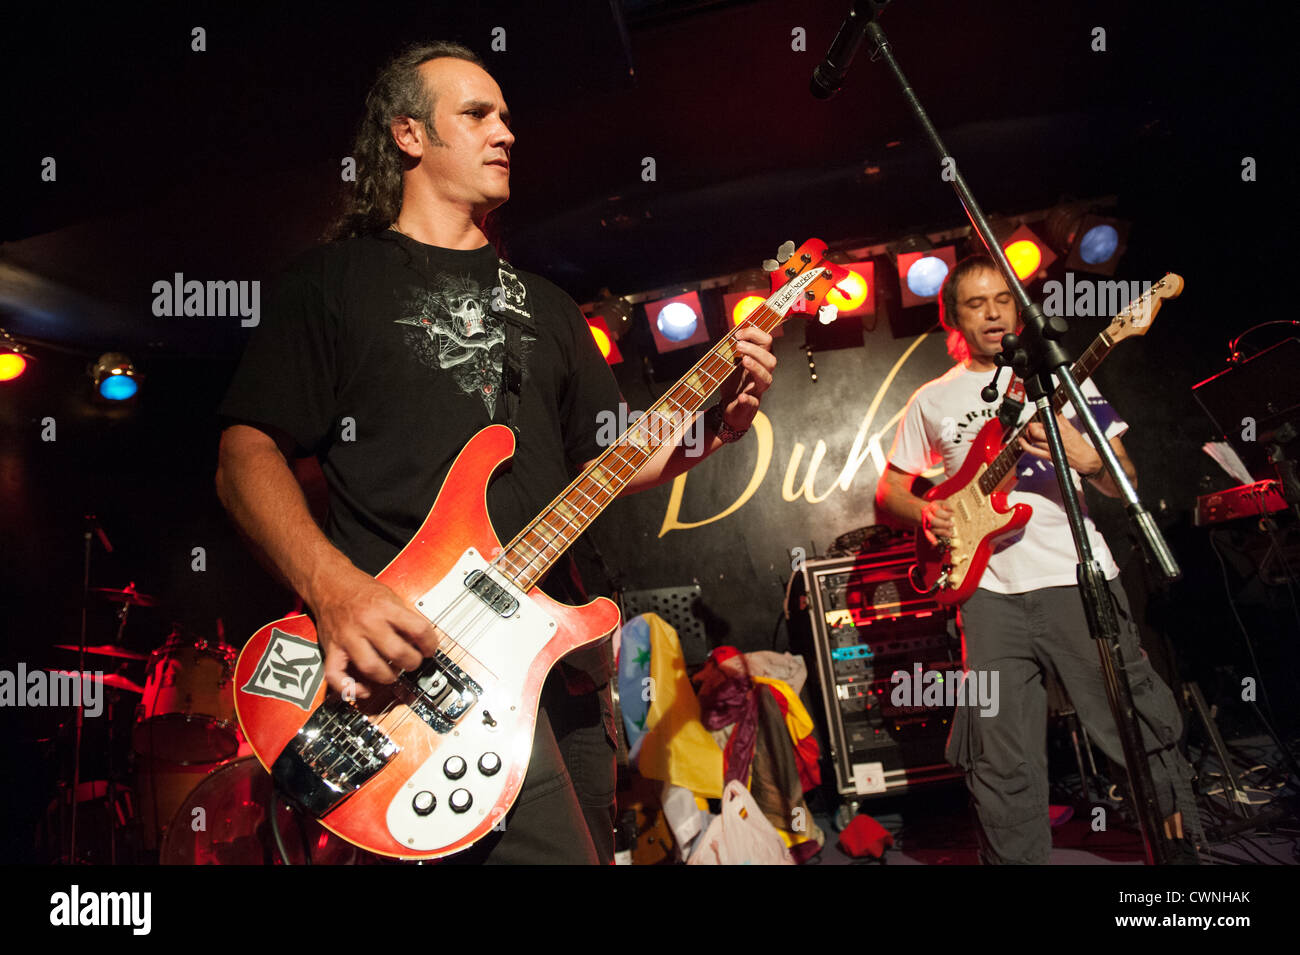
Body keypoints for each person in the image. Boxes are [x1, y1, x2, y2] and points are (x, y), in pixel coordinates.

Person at [214, 41, 776, 864]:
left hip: (553, 674)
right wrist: (332, 590)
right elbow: (243, 452)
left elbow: (615, 460)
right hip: (407, 679)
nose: (505, 132)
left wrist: (714, 426)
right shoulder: (330, 286)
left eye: (507, 116)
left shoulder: (545, 307)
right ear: (408, 135)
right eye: (477, 114)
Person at [875, 253, 1200, 864]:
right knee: (998, 755)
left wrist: (1086, 457)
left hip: (1073, 581)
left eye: (1003, 298)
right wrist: (925, 512)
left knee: (1134, 733)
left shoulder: (1065, 379)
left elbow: (1119, 478)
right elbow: (888, 491)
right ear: (954, 320)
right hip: (985, 597)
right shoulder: (932, 400)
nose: (994, 312)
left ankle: (1180, 873)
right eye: (976, 303)